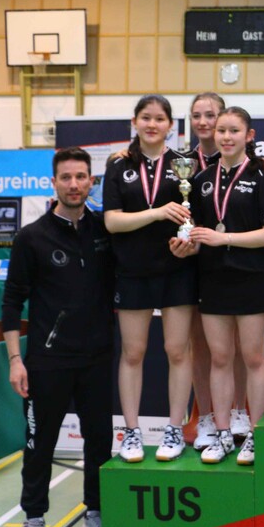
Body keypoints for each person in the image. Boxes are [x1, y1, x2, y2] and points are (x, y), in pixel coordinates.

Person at [3, 147, 115, 527]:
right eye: (66, 177)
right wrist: (15, 360)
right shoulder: (31, 237)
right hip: (47, 361)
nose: (73, 184)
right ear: (53, 183)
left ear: (91, 182)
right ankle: (33, 519)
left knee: (99, 440)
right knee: (39, 443)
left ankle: (95, 512)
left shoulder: (104, 230)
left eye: (81, 177)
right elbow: (12, 302)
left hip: (97, 357)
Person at [174, 107, 264, 465]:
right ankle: (221, 435)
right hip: (212, 278)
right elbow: (198, 233)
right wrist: (186, 245)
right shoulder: (201, 179)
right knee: (219, 358)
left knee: (253, 357)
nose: (226, 136)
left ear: (249, 136)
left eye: (234, 130)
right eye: (221, 130)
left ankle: (255, 435)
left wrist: (226, 239)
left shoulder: (262, 176)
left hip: (250, 276)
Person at [103, 95, 195, 463]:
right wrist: (156, 213)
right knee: (133, 352)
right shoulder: (119, 166)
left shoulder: (184, 165)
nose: (152, 124)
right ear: (135, 122)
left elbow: (193, 218)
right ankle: (131, 432)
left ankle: (174, 429)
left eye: (159, 119)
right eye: (146, 118)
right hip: (132, 270)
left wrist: (188, 244)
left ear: (171, 125)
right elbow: (112, 221)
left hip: (177, 268)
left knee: (177, 350)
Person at [184, 92, 251, 451]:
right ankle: (206, 417)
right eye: (197, 115)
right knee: (200, 344)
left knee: (235, 344)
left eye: (211, 115)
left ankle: (239, 410)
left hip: (231, 261)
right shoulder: (181, 162)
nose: (204, 122)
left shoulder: (246, 163)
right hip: (192, 260)